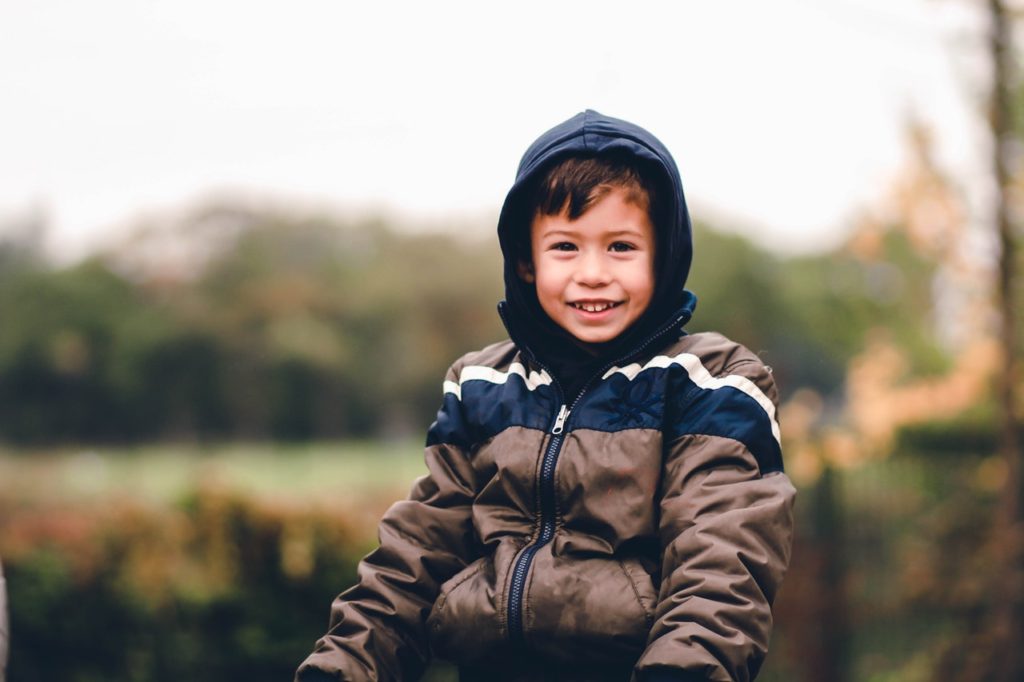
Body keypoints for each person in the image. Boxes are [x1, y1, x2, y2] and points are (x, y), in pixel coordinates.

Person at [296, 110, 796, 682]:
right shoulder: (482, 385)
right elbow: (416, 553)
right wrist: (345, 664)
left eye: (621, 247)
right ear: (526, 262)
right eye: (565, 246)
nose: (592, 273)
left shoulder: (711, 380)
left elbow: (721, 560)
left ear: (664, 256)